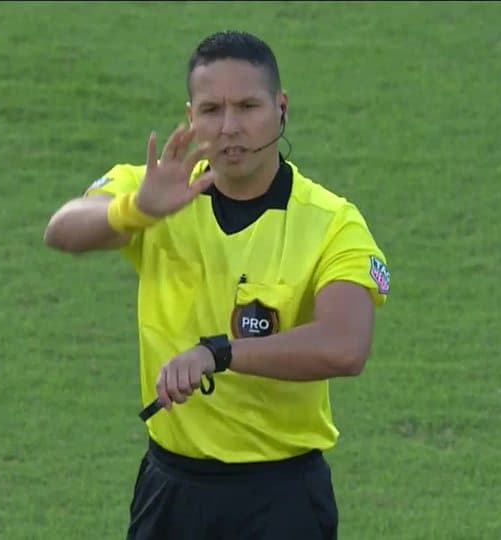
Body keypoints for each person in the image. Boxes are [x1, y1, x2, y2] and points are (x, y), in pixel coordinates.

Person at [44, 30, 390, 540]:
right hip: (171, 489)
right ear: (191, 117)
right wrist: (137, 209)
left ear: (281, 107)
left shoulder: (332, 223)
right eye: (211, 110)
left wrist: (218, 354)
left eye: (248, 106)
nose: (230, 127)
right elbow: (62, 229)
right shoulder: (158, 192)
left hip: (280, 497)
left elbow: (344, 346)